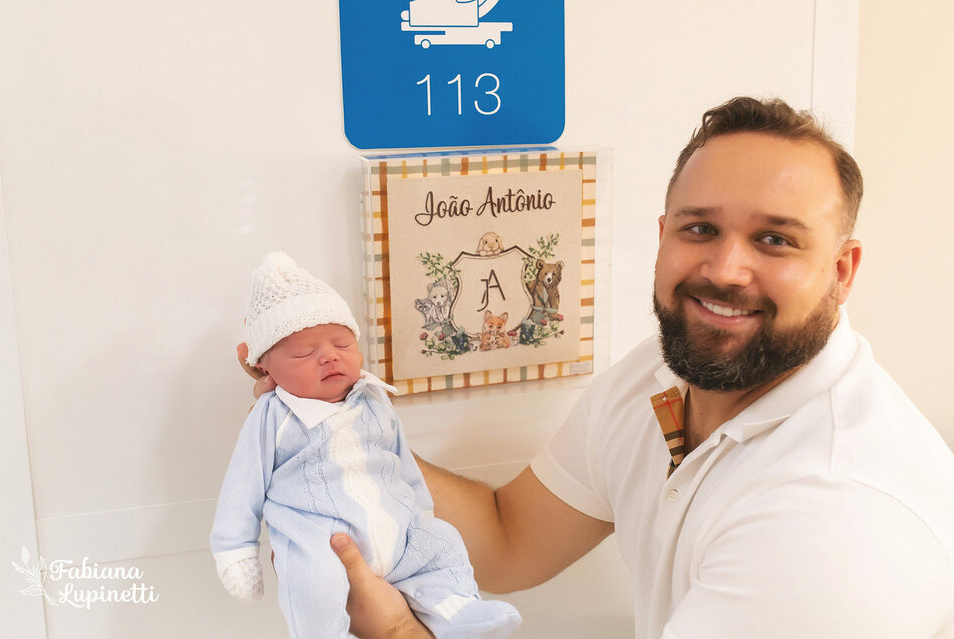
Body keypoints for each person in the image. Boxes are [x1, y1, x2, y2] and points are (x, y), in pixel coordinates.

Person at [244, 98, 954, 638]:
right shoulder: (662, 377)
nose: (724, 269)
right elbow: (509, 537)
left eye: (775, 239)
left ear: (843, 270)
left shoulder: (835, 518)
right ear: (663, 236)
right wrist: (342, 431)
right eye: (701, 228)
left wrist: (399, 630)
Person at [213, 252, 521, 639]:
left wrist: (422, 516)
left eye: (342, 343)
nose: (329, 357)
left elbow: (402, 463)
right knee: (313, 580)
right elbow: (242, 485)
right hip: (323, 541)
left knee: (444, 543)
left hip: (399, 532)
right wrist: (235, 548)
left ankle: (459, 613)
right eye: (304, 352)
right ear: (264, 367)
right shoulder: (273, 415)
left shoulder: (373, 398)